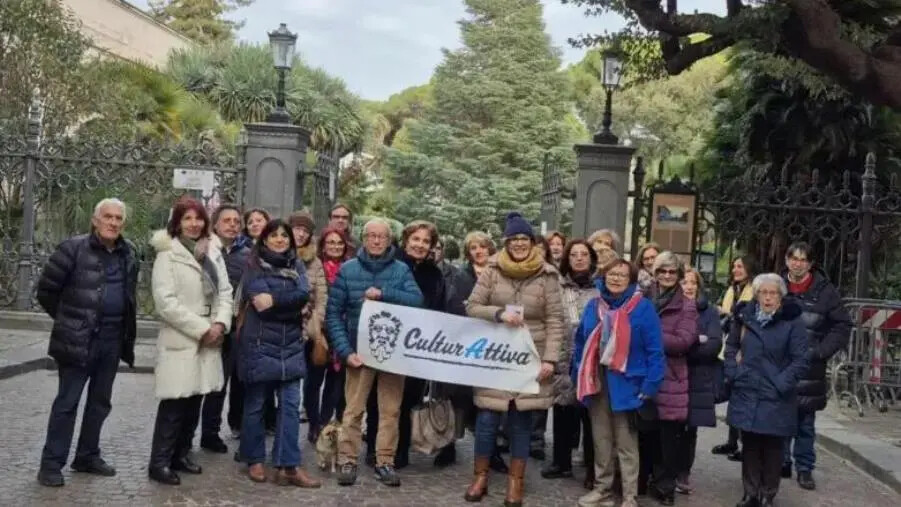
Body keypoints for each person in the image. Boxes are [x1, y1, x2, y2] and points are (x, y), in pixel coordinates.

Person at [35, 198, 138, 487]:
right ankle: (51, 464)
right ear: (95, 220)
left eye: (119, 218)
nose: (114, 222)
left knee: (100, 403)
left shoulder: (127, 253)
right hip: (78, 340)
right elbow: (46, 291)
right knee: (67, 403)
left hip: (112, 340)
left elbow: (128, 297)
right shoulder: (72, 248)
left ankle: (87, 456)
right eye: (108, 217)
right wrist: (72, 322)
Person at [463, 212, 563, 507]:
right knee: (487, 419)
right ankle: (480, 476)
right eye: (514, 239)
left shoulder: (548, 275)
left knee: (521, 421)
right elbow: (471, 306)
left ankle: (515, 482)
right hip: (496, 353)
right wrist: (498, 314)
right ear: (506, 242)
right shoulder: (492, 270)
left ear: (532, 242)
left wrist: (551, 360)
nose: (519, 243)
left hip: (531, 356)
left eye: (524, 239)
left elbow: (555, 320)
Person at [326, 218, 424, 487]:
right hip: (358, 353)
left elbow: (417, 301)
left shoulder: (402, 270)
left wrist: (384, 293)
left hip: (392, 354)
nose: (377, 240)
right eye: (371, 236)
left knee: (390, 411)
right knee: (353, 410)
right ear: (364, 238)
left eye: (382, 236)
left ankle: (385, 461)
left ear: (389, 240)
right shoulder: (348, 270)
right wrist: (345, 352)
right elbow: (333, 315)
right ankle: (348, 459)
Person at [147, 197, 233, 485]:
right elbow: (165, 303)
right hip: (182, 338)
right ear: (178, 222)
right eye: (187, 218)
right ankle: (159, 462)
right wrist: (202, 328)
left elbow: (225, 291)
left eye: (198, 218)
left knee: (195, 400)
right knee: (174, 403)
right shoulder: (166, 254)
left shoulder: (213, 251)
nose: (194, 224)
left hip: (209, 337)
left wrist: (220, 323)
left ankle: (181, 454)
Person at [573, 259, 665, 507]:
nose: (615, 279)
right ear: (604, 276)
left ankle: (629, 496)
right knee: (601, 439)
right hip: (597, 380)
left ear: (631, 281)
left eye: (622, 275)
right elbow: (580, 342)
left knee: (626, 444)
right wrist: (577, 376)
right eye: (611, 274)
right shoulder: (593, 306)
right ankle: (602, 490)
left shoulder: (643, 308)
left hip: (628, 382)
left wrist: (650, 385)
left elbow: (655, 351)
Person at [236, 219, 320, 487]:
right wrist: (290, 305)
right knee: (257, 404)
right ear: (264, 239)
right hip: (260, 343)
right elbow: (260, 302)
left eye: (285, 235)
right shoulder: (253, 264)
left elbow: (303, 295)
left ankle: (288, 466)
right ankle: (254, 459)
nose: (281, 240)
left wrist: (278, 301)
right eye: (274, 235)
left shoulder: (295, 265)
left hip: (291, 345)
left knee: (291, 406)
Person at [366, 220, 447, 469]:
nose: (420, 245)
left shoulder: (434, 274)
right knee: (378, 400)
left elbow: (438, 309)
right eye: (416, 239)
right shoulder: (390, 265)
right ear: (406, 240)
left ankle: (399, 451)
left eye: (426, 242)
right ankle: (374, 448)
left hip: (415, 348)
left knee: (408, 398)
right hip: (386, 342)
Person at [725, 273, 808, 507]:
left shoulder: (793, 322)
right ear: (757, 295)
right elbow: (731, 346)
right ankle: (750, 493)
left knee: (773, 447)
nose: (768, 298)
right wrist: (734, 372)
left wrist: (782, 382)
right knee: (749, 444)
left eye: (773, 293)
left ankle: (767, 494)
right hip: (747, 388)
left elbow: (800, 359)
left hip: (776, 394)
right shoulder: (744, 317)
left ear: (781, 296)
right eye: (764, 292)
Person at [781, 242, 850, 490]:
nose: (797, 263)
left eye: (803, 259)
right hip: (781, 365)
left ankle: (805, 467)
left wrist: (821, 351)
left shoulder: (825, 291)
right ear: (787, 260)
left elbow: (842, 325)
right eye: (793, 258)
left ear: (810, 264)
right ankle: (782, 462)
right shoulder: (776, 285)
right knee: (779, 416)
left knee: (805, 422)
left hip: (810, 368)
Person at [641, 252, 698, 505]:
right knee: (643, 431)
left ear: (678, 275)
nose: (666, 276)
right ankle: (643, 480)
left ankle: (665, 487)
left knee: (668, 438)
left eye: (671, 272)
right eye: (662, 271)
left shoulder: (686, 305)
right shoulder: (642, 297)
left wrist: (651, 337)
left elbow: (684, 341)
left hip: (671, 377)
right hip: (641, 373)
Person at [449, 231, 508, 473]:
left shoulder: (501, 273)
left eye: (482, 246)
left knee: (490, 400)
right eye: (473, 247)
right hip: (467, 343)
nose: (479, 251)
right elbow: (455, 305)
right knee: (460, 399)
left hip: (495, 344)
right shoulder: (460, 275)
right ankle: (448, 445)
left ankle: (491, 451)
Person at [542, 239, 598, 490]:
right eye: (573, 254)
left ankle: (591, 465)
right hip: (564, 356)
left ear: (591, 258)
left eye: (584, 254)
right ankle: (561, 461)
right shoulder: (557, 286)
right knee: (563, 410)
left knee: (591, 415)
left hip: (591, 358)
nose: (578, 258)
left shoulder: (600, 288)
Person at [200, 204, 251, 453]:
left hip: (235, 327)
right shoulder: (204, 249)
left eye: (236, 221)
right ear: (215, 224)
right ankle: (198, 432)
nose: (232, 225)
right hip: (207, 324)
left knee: (228, 381)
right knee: (205, 383)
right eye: (226, 221)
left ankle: (221, 429)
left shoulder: (248, 255)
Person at [304, 224, 353, 440]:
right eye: (331, 242)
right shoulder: (315, 267)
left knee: (336, 382)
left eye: (339, 242)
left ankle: (326, 423)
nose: (335, 246)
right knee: (313, 381)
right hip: (318, 332)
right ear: (323, 244)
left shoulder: (350, 268)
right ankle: (314, 424)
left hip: (341, 333)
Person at [677, 267, 723, 495]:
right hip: (673, 376)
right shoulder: (669, 308)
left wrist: (682, 349)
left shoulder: (710, 312)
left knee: (689, 428)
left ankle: (684, 472)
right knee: (669, 426)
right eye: (684, 282)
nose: (688, 286)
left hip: (697, 377)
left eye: (692, 282)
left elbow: (714, 346)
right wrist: (695, 342)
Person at [711, 255, 760, 461]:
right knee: (732, 397)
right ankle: (732, 441)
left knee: (741, 398)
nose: (735, 270)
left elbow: (743, 317)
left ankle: (743, 444)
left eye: (740, 266)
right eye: (734, 267)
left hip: (744, 348)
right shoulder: (733, 289)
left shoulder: (754, 289)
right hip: (728, 347)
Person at [287, 211, 328, 444]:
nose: (300, 233)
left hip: (309, 330)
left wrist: (316, 321)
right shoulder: (278, 253)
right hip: (285, 329)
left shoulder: (315, 261)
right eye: (296, 229)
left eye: (305, 230)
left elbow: (322, 296)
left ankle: (314, 422)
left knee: (312, 382)